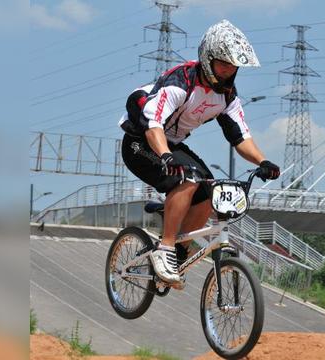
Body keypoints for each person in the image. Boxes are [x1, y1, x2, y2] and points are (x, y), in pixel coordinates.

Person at [118, 19, 280, 286]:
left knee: (209, 188)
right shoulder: (180, 83)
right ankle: (166, 249)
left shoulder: (227, 97)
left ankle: (180, 251)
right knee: (187, 177)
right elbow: (153, 125)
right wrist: (165, 155)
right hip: (141, 142)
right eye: (223, 63)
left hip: (171, 144)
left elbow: (240, 137)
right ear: (207, 60)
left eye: (233, 66)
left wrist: (262, 161)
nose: (229, 71)